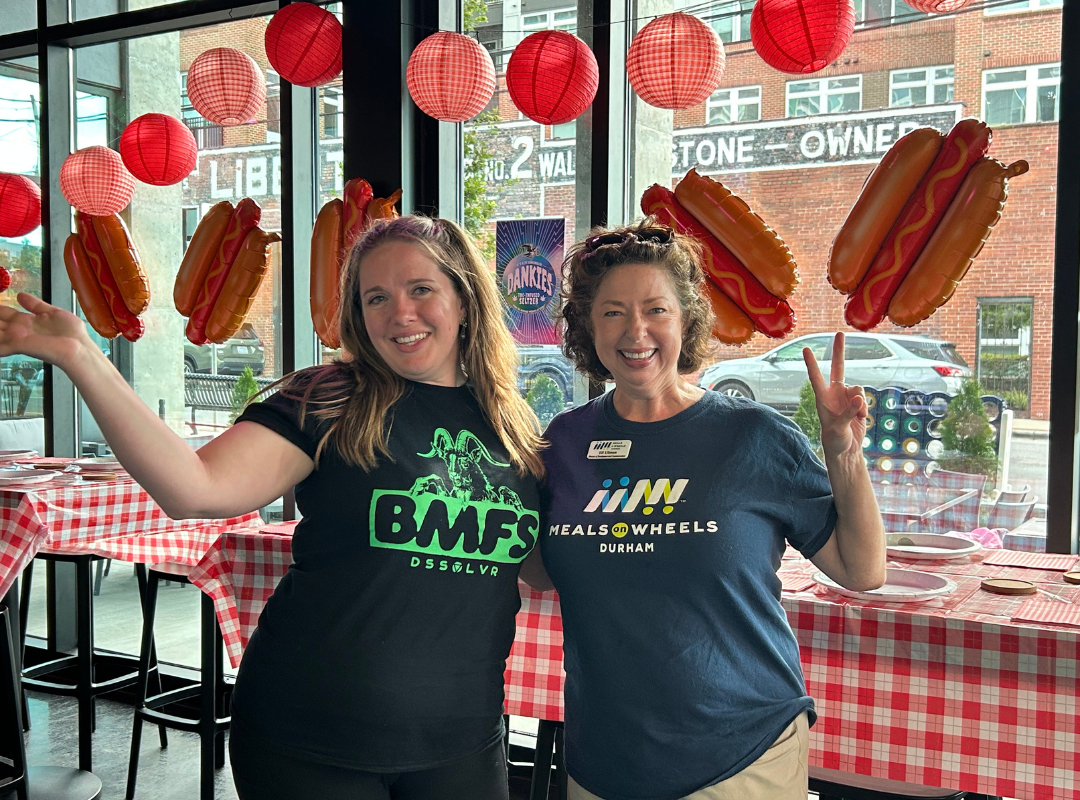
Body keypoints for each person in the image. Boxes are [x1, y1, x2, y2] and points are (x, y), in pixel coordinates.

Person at [0, 215, 545, 800]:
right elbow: (194, 487)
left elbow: (539, 564)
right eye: (376, 298)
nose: (399, 315)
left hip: (462, 743)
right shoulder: (333, 398)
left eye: (421, 290)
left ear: (463, 297)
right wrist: (84, 358)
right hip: (310, 740)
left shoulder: (510, 423)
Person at [520, 221, 886, 800]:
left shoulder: (752, 435)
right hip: (605, 757)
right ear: (588, 328)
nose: (635, 330)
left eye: (656, 309)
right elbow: (539, 570)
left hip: (739, 757)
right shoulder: (563, 443)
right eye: (612, 312)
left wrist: (844, 453)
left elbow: (862, 570)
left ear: (685, 320)